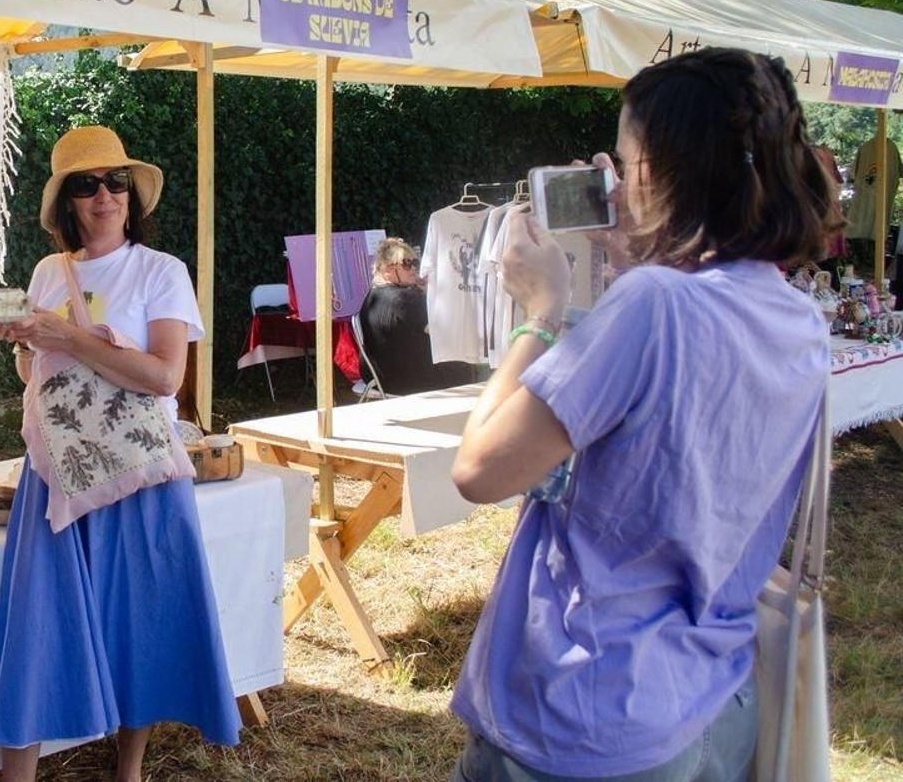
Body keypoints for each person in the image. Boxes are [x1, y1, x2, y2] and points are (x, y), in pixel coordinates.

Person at [447, 48, 838, 781]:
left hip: (585, 709)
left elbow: (479, 469)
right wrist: (638, 259)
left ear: (654, 172)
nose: (619, 185)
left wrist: (542, 311)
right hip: (712, 695)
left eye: (625, 166)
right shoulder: (796, 316)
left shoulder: (654, 306)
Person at [0, 126, 240, 782]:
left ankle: (129, 768)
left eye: (116, 182)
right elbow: (35, 373)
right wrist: (25, 342)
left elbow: (164, 379)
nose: (105, 195)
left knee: (141, 622)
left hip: (139, 468)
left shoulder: (162, 272)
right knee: (42, 620)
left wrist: (67, 333)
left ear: (133, 196)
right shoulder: (46, 272)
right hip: (58, 468)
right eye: (88, 184)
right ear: (67, 201)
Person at [357, 237, 472, 394]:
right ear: (387, 270)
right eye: (406, 264)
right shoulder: (407, 299)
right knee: (471, 364)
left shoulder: (372, 296)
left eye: (414, 263)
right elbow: (443, 333)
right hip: (417, 382)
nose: (412, 269)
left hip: (382, 380)